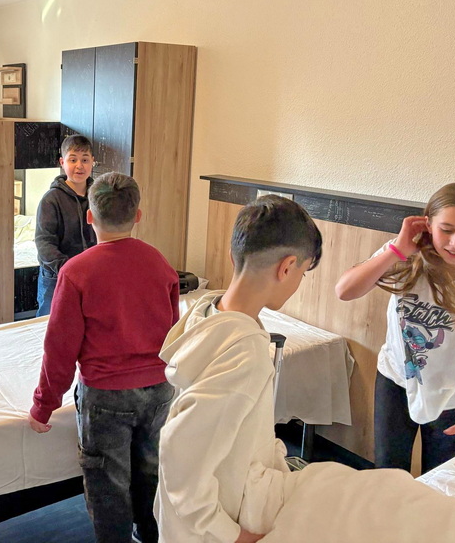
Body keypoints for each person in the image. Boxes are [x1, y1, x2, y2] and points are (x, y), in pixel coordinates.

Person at [155, 195, 322, 543]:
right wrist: (232, 534)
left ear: (234, 256)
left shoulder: (208, 312)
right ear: (287, 267)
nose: (298, 283)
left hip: (194, 512)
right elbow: (180, 452)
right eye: (303, 273)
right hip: (212, 521)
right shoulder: (243, 352)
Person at [28, 172, 179, 543]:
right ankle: (151, 533)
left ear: (90, 217)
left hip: (106, 396)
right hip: (159, 390)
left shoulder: (76, 272)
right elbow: (173, 332)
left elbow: (60, 348)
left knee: (107, 483)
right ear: (138, 215)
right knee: (152, 471)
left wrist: (44, 405)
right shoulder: (160, 264)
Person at [336, 182, 455, 473]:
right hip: (395, 378)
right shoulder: (405, 256)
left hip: (451, 395)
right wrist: (396, 250)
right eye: (446, 230)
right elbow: (345, 290)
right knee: (387, 471)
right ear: (428, 225)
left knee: (438, 476)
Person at [34, 134, 97, 316]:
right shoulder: (51, 200)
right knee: (48, 322)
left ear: (93, 162)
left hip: (90, 275)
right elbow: (44, 243)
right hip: (55, 277)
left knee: (84, 321)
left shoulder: (98, 197)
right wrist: (67, 269)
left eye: (85, 160)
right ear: (62, 162)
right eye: (73, 160)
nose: (79, 165)